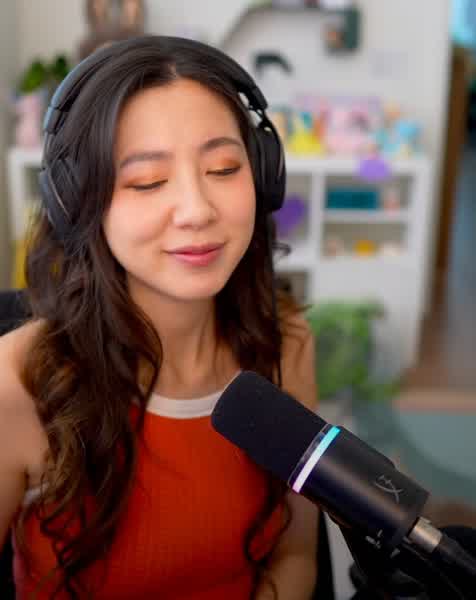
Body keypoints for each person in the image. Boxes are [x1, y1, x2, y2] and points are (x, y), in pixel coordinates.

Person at [0, 36, 319, 599]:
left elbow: (296, 554)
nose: (197, 210)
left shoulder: (285, 343)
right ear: (76, 200)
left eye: (223, 168)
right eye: (147, 181)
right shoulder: (16, 384)